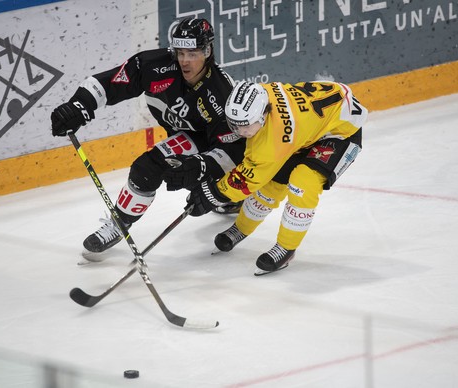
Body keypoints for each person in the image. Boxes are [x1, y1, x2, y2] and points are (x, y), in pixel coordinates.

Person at [50, 17, 245, 261]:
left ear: (207, 51)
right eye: (180, 52)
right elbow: (109, 83)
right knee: (148, 169)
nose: (184, 61)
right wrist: (78, 106)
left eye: (192, 53)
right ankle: (118, 225)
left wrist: (202, 168)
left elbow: (235, 150)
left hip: (210, 144)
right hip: (184, 136)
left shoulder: (221, 93)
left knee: (166, 170)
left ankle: (231, 195)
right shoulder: (155, 65)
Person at [183, 80, 368, 275]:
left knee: (303, 183)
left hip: (341, 133)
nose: (240, 132)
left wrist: (212, 194)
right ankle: (241, 228)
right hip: (307, 129)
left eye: (246, 126)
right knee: (272, 184)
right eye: (235, 125)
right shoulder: (260, 98)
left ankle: (286, 248)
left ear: (264, 115)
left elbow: (246, 180)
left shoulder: (273, 140)